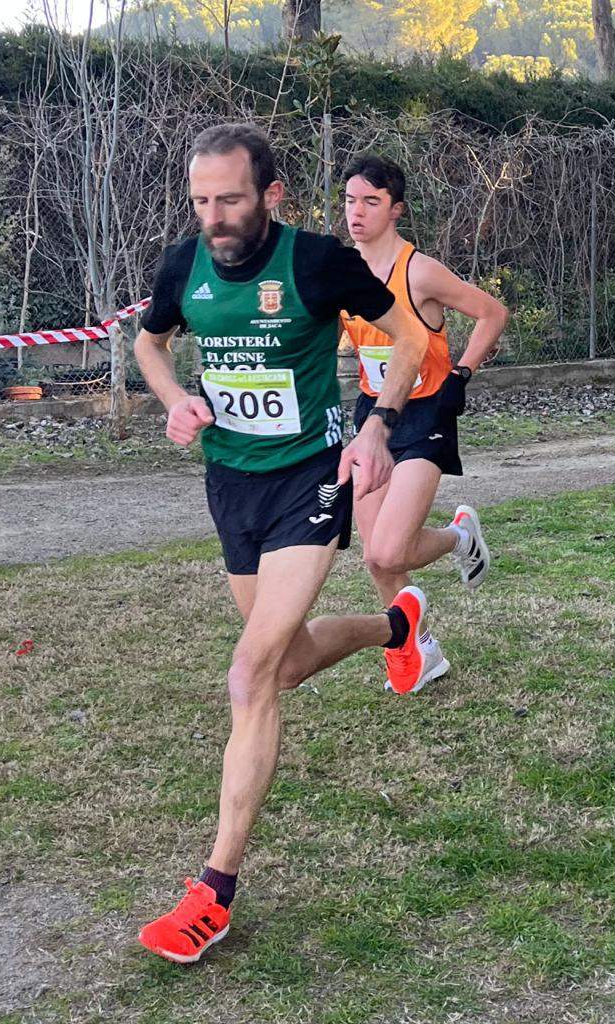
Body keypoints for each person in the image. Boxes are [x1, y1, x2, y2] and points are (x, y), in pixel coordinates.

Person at [132, 124, 440, 965]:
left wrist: (378, 429)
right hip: (230, 484)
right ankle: (394, 629)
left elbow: (410, 338)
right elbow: (148, 342)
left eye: (229, 199)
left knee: (249, 671)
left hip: (310, 477)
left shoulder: (313, 261)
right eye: (200, 201)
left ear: (270, 194)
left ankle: (212, 893)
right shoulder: (180, 269)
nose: (214, 217)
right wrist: (170, 399)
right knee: (289, 661)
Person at [341, 153, 508, 691]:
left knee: (390, 547)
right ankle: (423, 649)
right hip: (373, 417)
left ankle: (460, 536)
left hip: (427, 412)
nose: (357, 212)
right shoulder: (342, 272)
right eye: (350, 200)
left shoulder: (420, 271)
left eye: (371, 201)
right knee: (378, 558)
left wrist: (460, 375)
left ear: (396, 210)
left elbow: (492, 313)